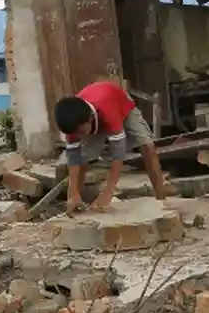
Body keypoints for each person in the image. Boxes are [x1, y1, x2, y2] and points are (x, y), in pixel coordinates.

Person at [54, 80, 166, 213]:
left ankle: (161, 199)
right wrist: (72, 194)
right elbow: (74, 160)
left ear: (90, 119)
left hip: (120, 104)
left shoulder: (109, 114)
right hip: (94, 108)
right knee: (82, 159)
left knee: (148, 147)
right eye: (74, 134)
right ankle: (76, 201)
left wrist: (108, 193)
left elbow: (118, 155)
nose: (78, 136)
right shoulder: (72, 122)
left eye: (80, 132)